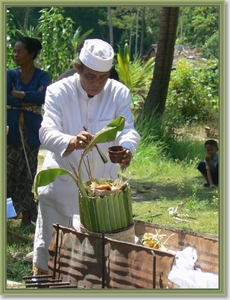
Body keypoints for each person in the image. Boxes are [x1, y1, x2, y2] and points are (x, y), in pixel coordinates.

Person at [32, 38, 140, 275]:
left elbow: (128, 129)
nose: (97, 83)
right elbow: (46, 131)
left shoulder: (118, 92)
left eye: (103, 77)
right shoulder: (58, 91)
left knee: (94, 264)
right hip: (61, 189)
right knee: (51, 257)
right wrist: (69, 141)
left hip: (102, 196)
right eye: (91, 76)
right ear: (77, 67)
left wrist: (126, 148)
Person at [7, 37, 51, 226]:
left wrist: (19, 94)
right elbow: (6, 96)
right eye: (14, 51)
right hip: (10, 131)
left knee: (28, 170)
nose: (15, 55)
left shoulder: (43, 76)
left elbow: (43, 96)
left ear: (31, 54)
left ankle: (26, 218)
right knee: (7, 171)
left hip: (31, 131)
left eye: (20, 51)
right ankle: (8, 214)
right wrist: (26, 99)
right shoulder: (9, 74)